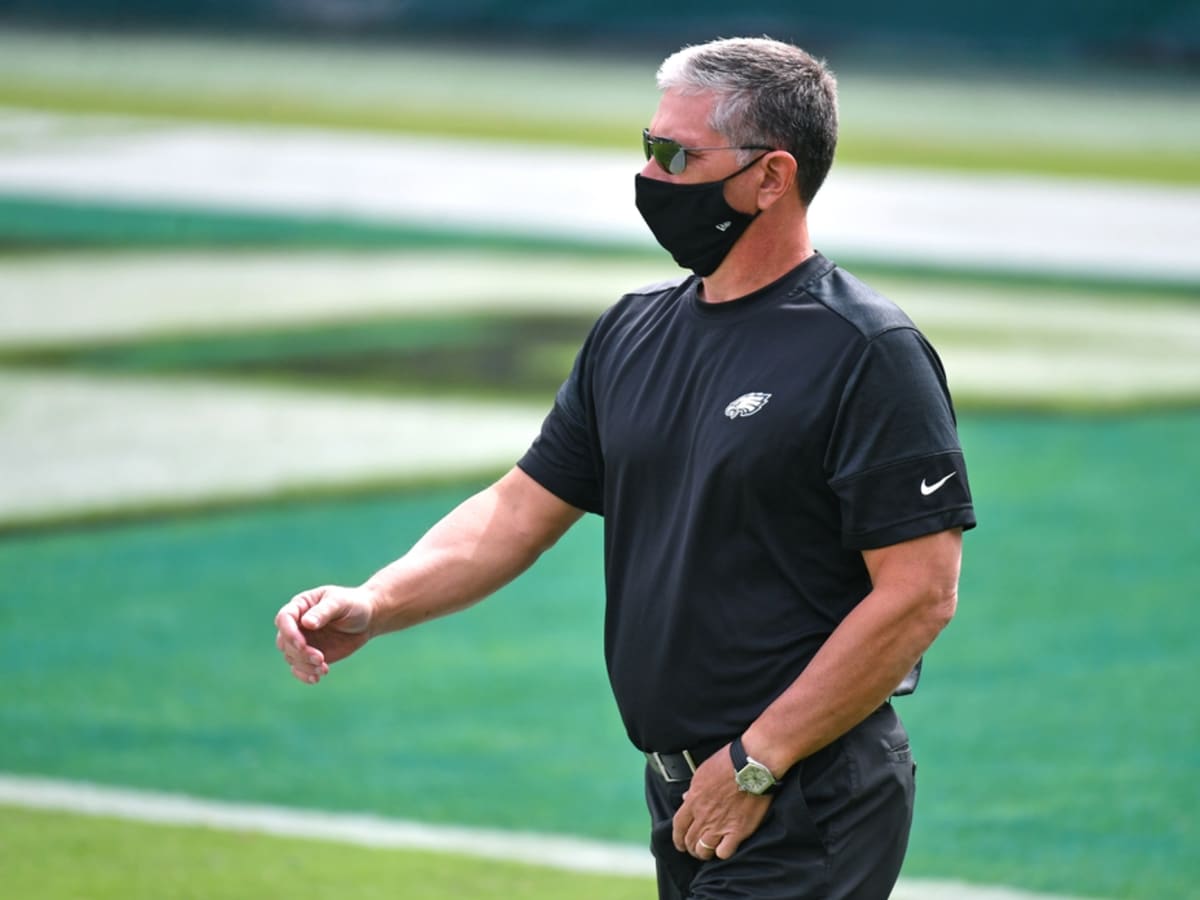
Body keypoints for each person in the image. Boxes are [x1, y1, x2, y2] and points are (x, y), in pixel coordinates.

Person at [275, 36, 976, 900]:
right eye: (648, 147)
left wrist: (757, 761)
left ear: (771, 178)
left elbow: (919, 594)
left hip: (803, 788)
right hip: (688, 784)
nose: (651, 175)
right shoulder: (632, 332)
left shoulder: (867, 351)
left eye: (677, 155)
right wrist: (377, 601)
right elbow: (519, 509)